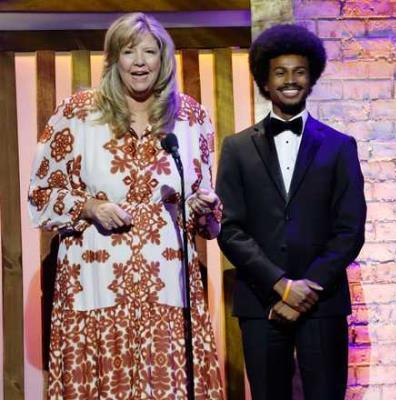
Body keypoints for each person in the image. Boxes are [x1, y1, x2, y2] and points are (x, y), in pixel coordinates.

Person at [28, 13, 223, 399]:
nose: (139, 61)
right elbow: (41, 194)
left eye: (150, 52)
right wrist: (89, 208)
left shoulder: (191, 117)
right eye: (129, 51)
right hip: (95, 286)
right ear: (113, 58)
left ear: (163, 59)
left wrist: (206, 207)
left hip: (168, 285)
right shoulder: (77, 114)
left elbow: (207, 220)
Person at [216, 24, 366, 400]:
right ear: (265, 81)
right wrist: (281, 286)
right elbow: (230, 229)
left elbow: (350, 229)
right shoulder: (236, 148)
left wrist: (307, 288)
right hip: (261, 302)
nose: (290, 80)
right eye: (280, 72)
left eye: (299, 72)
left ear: (311, 78)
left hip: (323, 302)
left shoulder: (340, 146)